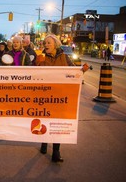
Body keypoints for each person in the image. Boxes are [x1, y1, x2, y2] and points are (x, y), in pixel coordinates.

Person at [36, 34, 75, 163]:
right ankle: (44, 142)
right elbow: (32, 74)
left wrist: (83, 70)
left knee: (58, 123)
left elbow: (74, 72)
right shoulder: (40, 56)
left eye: (48, 43)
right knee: (45, 121)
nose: (45, 45)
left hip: (60, 96)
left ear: (56, 45)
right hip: (45, 96)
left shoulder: (65, 57)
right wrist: (38, 62)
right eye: (44, 43)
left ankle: (56, 152)